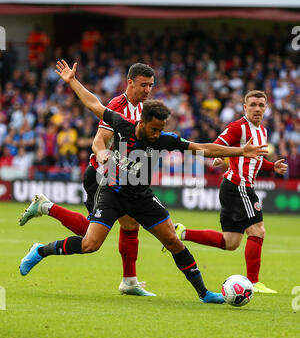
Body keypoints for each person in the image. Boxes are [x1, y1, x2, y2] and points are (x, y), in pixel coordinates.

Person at [19, 60, 268, 306]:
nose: (157, 135)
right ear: (141, 123)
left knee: (172, 240)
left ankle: (203, 293)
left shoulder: (165, 139)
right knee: (89, 243)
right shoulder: (121, 124)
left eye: (161, 130)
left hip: (142, 197)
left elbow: (202, 148)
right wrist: (72, 81)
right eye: (154, 130)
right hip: (112, 193)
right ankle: (41, 250)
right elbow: (93, 104)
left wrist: (238, 152)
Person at [19, 62, 156, 297]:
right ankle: (42, 235)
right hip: (101, 176)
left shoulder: (144, 109)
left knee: (130, 224)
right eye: (144, 85)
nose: (148, 90)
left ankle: (129, 282)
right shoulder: (117, 106)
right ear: (130, 82)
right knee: (89, 239)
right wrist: (103, 154)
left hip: (121, 178)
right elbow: (99, 139)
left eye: (151, 86)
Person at [168, 90, 288, 294]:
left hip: (234, 187)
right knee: (258, 231)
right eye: (253, 105)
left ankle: (182, 232)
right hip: (238, 186)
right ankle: (254, 282)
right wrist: (219, 157)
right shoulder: (237, 127)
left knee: (231, 242)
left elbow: (254, 160)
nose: (257, 109)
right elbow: (216, 146)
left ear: (266, 108)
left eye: (261, 105)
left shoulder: (263, 132)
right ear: (244, 107)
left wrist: (271, 167)